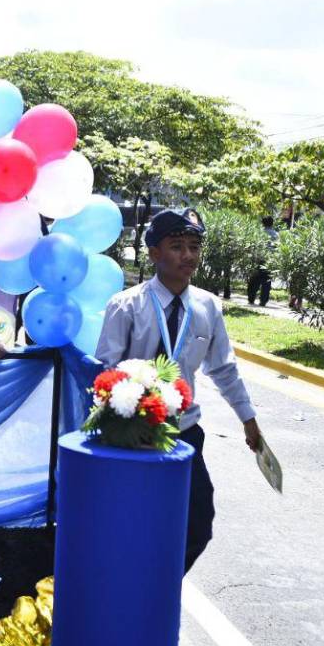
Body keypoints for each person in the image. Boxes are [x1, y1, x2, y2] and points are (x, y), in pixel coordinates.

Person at [96, 207, 263, 573]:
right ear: (154, 253)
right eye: (177, 246)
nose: (188, 255)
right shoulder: (126, 305)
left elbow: (223, 367)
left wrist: (248, 418)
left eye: (194, 247)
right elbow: (105, 371)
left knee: (197, 524)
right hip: (130, 434)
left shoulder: (207, 306)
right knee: (132, 522)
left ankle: (159, 585)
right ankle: (130, 586)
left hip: (184, 432)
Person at [246, 216, 278, 306]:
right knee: (266, 282)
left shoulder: (259, 233)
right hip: (270, 260)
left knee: (254, 281)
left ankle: (251, 298)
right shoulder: (276, 235)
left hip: (258, 259)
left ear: (263, 223)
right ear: (272, 223)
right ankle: (263, 301)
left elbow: (253, 245)